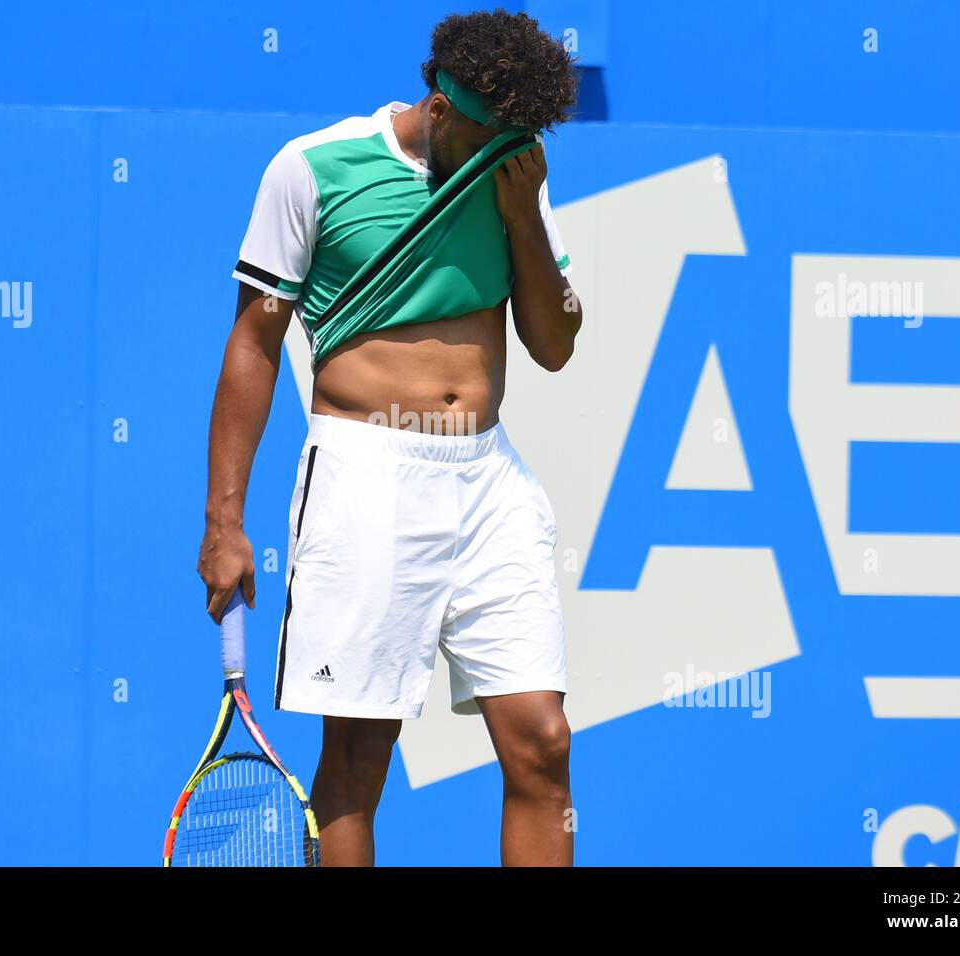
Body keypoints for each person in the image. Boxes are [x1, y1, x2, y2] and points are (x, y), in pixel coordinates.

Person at [197, 9, 582, 866]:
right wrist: (226, 523)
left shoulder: (515, 172)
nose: (503, 154)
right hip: (366, 479)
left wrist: (522, 216)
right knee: (361, 758)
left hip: (488, 479)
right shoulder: (312, 168)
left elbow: (554, 347)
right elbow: (254, 345)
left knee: (543, 742)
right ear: (440, 108)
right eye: (490, 134)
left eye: (519, 139)